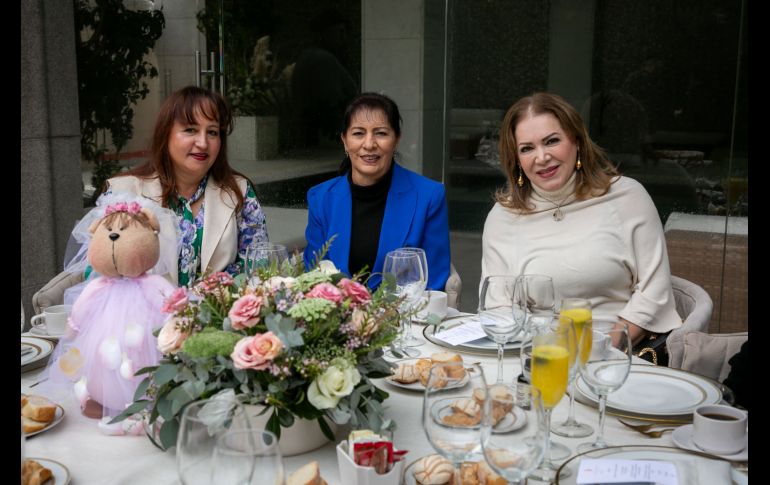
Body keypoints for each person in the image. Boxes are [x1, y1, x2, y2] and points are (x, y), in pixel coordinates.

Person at [481, 92, 682, 345]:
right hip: (534, 354)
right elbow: (497, 306)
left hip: (614, 356)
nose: (541, 157)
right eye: (527, 148)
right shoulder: (503, 217)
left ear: (576, 141)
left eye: (552, 141)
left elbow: (655, 292)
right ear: (517, 160)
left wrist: (604, 349)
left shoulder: (627, 198)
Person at [100, 86, 269, 286]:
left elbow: (258, 268)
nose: (203, 143)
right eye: (191, 130)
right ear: (166, 133)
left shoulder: (238, 192)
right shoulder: (124, 193)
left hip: (219, 313)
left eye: (213, 132)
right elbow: (101, 271)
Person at [304, 92, 450, 290]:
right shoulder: (320, 198)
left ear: (396, 139)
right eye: (358, 133)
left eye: (381, 133)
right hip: (338, 317)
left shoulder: (428, 196)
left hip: (405, 317)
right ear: (345, 141)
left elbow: (434, 281)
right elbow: (313, 277)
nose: (369, 144)